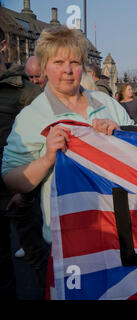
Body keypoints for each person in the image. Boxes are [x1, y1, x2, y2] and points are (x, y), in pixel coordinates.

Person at [1, 26, 134, 258]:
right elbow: (12, 179)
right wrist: (47, 159)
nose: (68, 71)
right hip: (69, 241)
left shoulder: (108, 103)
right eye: (58, 62)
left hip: (120, 230)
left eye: (74, 62)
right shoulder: (32, 116)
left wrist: (122, 134)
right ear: (44, 67)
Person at [0, 27, 45, 300]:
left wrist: (25, 190)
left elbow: (45, 139)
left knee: (38, 259)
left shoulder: (26, 91)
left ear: (3, 46)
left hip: (21, 191)